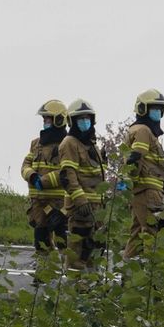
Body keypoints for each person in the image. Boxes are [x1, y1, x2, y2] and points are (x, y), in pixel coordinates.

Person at [20, 99, 70, 278]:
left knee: (63, 239)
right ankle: (43, 274)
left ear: (58, 120)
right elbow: (25, 165)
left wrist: (45, 180)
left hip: (59, 204)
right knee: (40, 239)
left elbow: (66, 172)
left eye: (48, 119)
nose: (45, 122)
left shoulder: (67, 144)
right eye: (44, 119)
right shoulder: (36, 143)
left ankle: (71, 275)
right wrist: (32, 176)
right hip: (39, 204)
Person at [121, 89, 164, 259]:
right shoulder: (143, 130)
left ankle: (127, 277)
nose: (158, 112)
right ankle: (154, 278)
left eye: (160, 109)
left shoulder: (141, 130)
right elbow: (136, 158)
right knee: (155, 232)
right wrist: (135, 180)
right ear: (143, 109)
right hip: (148, 191)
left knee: (136, 234)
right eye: (154, 108)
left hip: (141, 191)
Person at [58, 98, 107, 271]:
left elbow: (95, 175)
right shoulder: (69, 143)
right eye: (80, 119)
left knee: (93, 249)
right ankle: (76, 288)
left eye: (87, 118)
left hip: (96, 208)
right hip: (81, 209)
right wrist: (80, 200)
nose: (85, 122)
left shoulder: (91, 144)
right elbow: (68, 176)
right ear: (72, 121)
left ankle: (90, 288)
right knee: (78, 250)